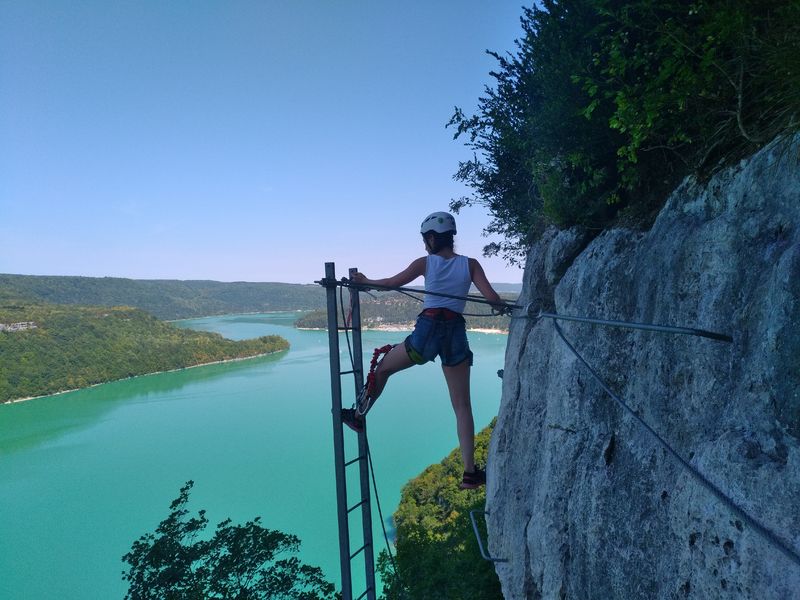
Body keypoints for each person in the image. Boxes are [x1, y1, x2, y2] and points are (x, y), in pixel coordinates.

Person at [342, 211, 505, 490]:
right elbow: (492, 298)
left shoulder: (425, 263)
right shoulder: (471, 264)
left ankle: (358, 416)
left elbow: (392, 284)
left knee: (383, 370)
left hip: (427, 333)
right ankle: (469, 474)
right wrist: (499, 306)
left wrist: (364, 281)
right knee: (462, 406)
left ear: (431, 238)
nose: (424, 245)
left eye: (425, 240)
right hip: (455, 332)